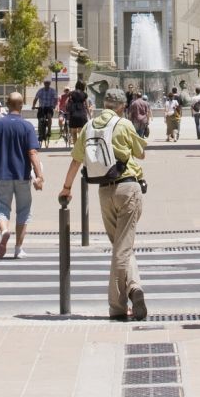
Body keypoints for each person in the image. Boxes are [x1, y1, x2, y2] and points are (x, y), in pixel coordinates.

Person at [59, 89, 149, 320]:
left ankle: (134, 288)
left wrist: (66, 188)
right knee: (122, 248)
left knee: (121, 245)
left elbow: (76, 160)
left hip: (103, 191)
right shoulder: (123, 124)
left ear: (104, 104)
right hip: (127, 187)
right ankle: (118, 305)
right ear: (121, 106)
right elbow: (141, 153)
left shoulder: (89, 126)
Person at [0, 90, 45, 258]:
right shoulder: (27, 126)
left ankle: (4, 231)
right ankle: (18, 248)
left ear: (7, 105)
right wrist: (39, 176)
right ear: (21, 105)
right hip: (22, 175)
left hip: (2, 175)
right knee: (24, 211)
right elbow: (32, 152)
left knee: (2, 208)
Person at [32, 78, 58, 145]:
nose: (46, 84)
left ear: (49, 84)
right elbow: (36, 98)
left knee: (49, 116)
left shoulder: (52, 91)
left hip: (49, 107)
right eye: (45, 83)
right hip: (42, 107)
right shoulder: (40, 90)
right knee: (40, 118)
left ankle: (49, 130)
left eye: (48, 83)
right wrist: (33, 105)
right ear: (44, 84)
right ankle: (40, 133)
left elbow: (56, 99)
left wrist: (54, 105)